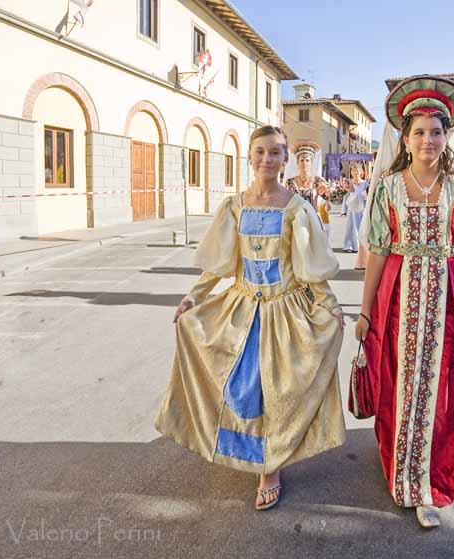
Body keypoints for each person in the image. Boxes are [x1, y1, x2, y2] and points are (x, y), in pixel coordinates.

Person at [155, 126, 346, 511]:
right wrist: (194, 297)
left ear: (285, 158)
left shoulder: (297, 209)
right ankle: (243, 451)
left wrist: (331, 307)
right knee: (242, 391)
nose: (267, 160)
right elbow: (220, 265)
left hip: (284, 312)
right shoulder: (234, 206)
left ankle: (269, 468)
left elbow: (309, 269)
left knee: (275, 392)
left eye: (275, 152)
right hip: (240, 309)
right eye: (260, 152)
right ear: (250, 157)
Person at [356, 76, 454, 529]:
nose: (428, 139)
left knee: (443, 389)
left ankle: (429, 482)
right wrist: (364, 310)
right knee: (401, 385)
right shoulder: (390, 186)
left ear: (447, 136)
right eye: (419, 132)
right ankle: (405, 475)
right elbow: (378, 249)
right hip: (398, 297)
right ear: (405, 137)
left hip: (448, 299)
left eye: (436, 132)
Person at [283, 140, 323, 207]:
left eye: (307, 160)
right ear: (297, 163)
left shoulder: (318, 181)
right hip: (295, 215)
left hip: (313, 215)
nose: (304, 163)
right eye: (301, 160)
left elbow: (326, 200)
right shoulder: (290, 182)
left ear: (311, 163)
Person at [344, 164, 369, 261]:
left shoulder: (365, 183)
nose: (356, 172)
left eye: (357, 170)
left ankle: (361, 245)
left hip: (362, 207)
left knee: (361, 226)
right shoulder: (350, 183)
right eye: (354, 171)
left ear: (361, 172)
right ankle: (350, 245)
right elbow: (346, 197)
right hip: (352, 207)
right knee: (351, 226)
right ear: (351, 172)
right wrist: (344, 210)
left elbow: (367, 195)